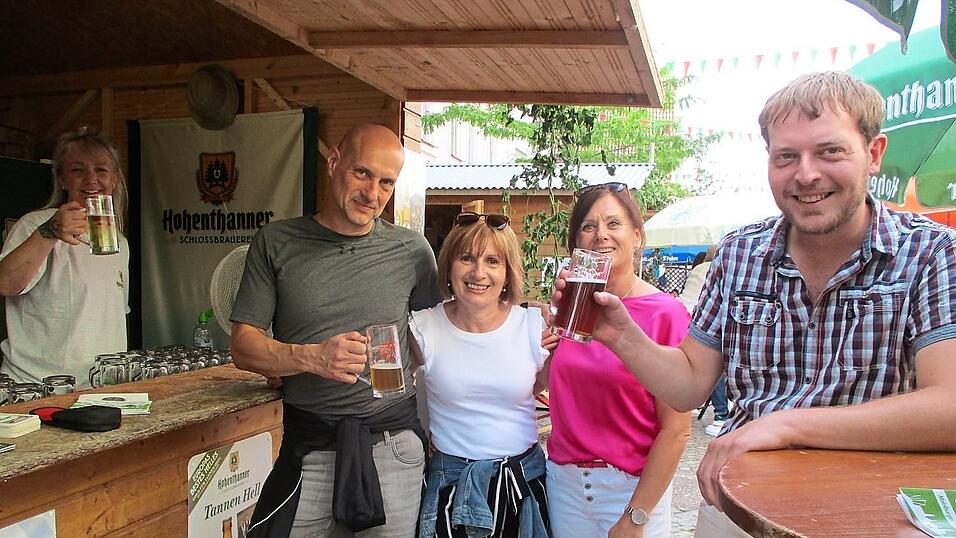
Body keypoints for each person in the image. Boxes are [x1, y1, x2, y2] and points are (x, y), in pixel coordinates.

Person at [550, 72, 956, 520]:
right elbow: (688, 386)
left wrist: (784, 425)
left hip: (868, 517)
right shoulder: (740, 252)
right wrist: (619, 334)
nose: (806, 174)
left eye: (830, 151)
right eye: (786, 156)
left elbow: (949, 408)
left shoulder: (930, 253)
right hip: (739, 514)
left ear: (873, 153)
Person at [230, 124, 443, 537]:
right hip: (308, 445)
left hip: (391, 446)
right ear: (333, 163)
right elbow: (243, 345)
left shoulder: (413, 251)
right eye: (361, 173)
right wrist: (309, 357)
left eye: (386, 183)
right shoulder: (276, 242)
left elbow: (437, 335)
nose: (372, 194)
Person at [545, 182, 691, 538]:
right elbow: (550, 391)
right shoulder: (569, 312)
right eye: (588, 226)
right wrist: (543, 352)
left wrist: (635, 516)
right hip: (565, 486)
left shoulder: (665, 314)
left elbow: (677, 429)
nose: (600, 236)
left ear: (637, 236)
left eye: (613, 224)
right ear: (576, 243)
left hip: (632, 489)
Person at [411, 211, 556, 537]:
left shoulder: (535, 326)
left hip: (523, 483)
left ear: (507, 273)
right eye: (466, 258)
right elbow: (395, 389)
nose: (479, 272)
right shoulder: (422, 327)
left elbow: (544, 387)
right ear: (448, 265)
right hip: (451, 484)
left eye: (493, 261)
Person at [0, 127, 130, 386]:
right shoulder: (35, 224)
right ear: (62, 179)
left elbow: (110, 317)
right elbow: (5, 283)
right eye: (77, 170)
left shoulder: (119, 240)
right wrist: (49, 232)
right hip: (36, 386)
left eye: (101, 170)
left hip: (98, 387)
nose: (91, 179)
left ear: (114, 178)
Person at [676, 247, 727, 437]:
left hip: (683, 314)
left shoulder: (698, 269)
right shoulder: (717, 267)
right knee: (713, 365)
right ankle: (721, 414)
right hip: (692, 320)